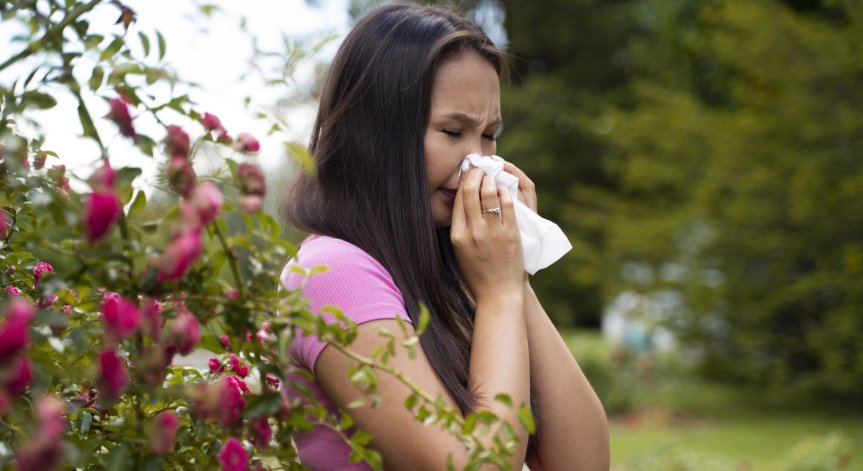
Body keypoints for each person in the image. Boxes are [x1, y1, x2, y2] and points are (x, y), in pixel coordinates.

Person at [281, 3, 609, 470]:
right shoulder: (333, 273)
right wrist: (497, 295)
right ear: (378, 136)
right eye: (454, 131)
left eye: (489, 135)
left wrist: (513, 279)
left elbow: (585, 464)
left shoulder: (452, 273)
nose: (479, 162)